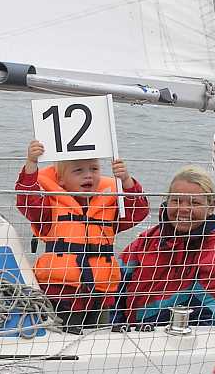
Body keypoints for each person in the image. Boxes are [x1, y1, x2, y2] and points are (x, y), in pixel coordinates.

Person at [16, 139, 149, 329]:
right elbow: (27, 201)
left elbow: (138, 211)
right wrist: (31, 163)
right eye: (78, 171)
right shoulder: (49, 209)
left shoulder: (109, 205)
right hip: (62, 294)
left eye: (94, 169)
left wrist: (126, 181)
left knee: (99, 339)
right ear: (61, 180)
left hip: (101, 295)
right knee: (62, 338)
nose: (88, 175)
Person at [115, 166, 215, 326]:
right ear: (167, 201)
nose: (183, 209)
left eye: (194, 203)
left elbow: (214, 319)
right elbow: (115, 283)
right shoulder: (149, 240)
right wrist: (116, 326)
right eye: (176, 201)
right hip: (130, 331)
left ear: (211, 207)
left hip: (177, 336)